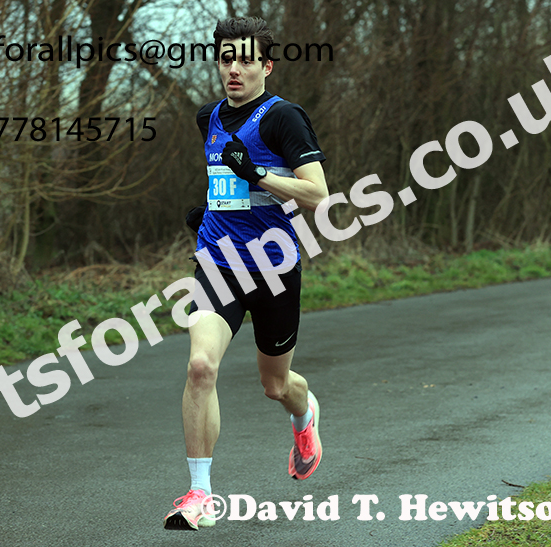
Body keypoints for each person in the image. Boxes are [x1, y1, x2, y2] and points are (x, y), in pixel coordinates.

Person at [164, 17, 330, 530]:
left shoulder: (284, 118)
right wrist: (214, 208)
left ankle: (305, 419)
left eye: (244, 59)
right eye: (225, 58)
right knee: (200, 367)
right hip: (218, 262)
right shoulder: (207, 117)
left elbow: (318, 193)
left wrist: (257, 174)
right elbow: (224, 181)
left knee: (275, 386)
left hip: (275, 267)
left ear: (266, 65)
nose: (233, 68)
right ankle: (199, 495)